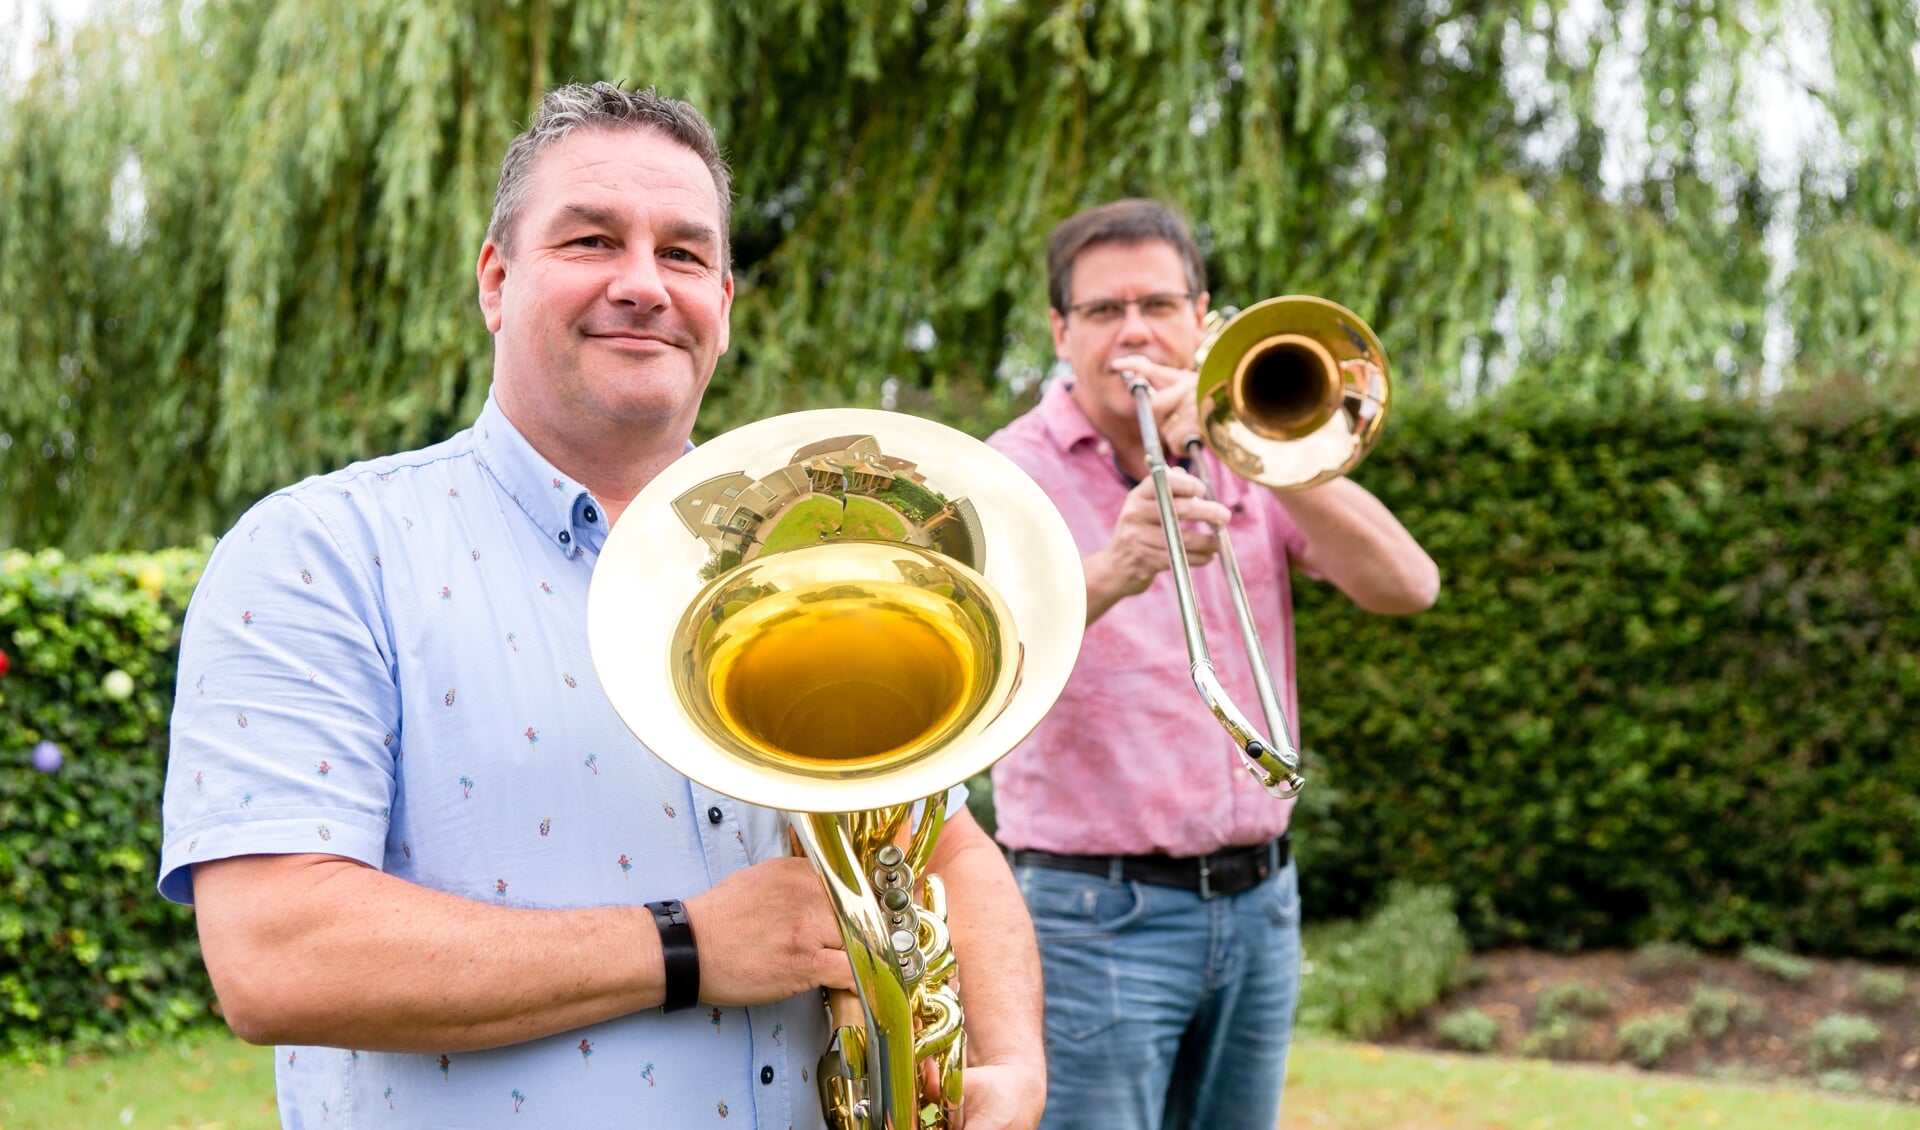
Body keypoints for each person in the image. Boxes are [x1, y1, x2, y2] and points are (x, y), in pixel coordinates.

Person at [158, 82, 1045, 1130]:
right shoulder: (323, 551)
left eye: (682, 254)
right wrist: (687, 945)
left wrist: (1013, 1058)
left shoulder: (820, 549)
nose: (643, 284)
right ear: (496, 280)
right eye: (589, 240)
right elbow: (276, 953)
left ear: (724, 297)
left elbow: (936, 842)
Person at [984, 198, 1440, 1130]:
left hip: (1263, 902)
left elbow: (1409, 585)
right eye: (1105, 312)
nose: (1134, 333)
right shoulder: (1004, 473)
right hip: (1090, 911)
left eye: (1158, 305)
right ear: (1061, 333)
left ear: (1203, 319)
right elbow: (975, 663)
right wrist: (1112, 572)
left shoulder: (1256, 450)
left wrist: (1265, 455)